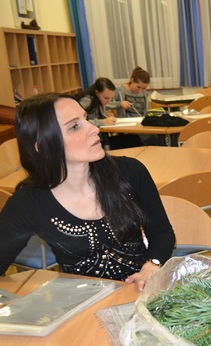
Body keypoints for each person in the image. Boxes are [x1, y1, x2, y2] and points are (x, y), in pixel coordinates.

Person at [0, 93, 176, 292]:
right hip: (79, 306)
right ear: (43, 146)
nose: (94, 128)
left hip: (140, 293)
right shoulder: (29, 203)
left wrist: (152, 265)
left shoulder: (129, 172)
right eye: (74, 126)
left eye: (86, 119)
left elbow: (161, 232)